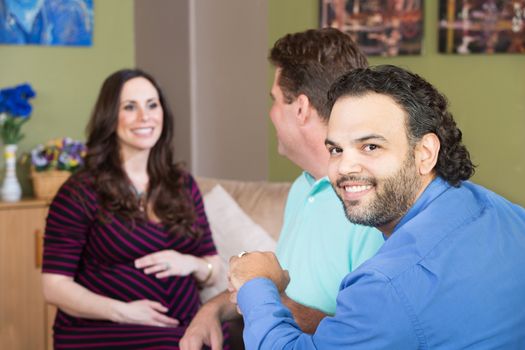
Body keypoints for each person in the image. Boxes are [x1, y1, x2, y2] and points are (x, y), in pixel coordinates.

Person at [228, 65, 525, 349]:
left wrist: (256, 283)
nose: (344, 167)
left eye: (371, 146)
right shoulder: (504, 213)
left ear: (425, 153)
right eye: (335, 149)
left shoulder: (386, 284)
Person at [180, 28, 384, 349]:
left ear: (300, 108)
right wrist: (210, 310)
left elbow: (364, 336)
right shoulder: (303, 189)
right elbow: (279, 287)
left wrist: (270, 299)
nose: (271, 114)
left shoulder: (371, 205)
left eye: (275, 100)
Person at [41, 69, 227, 349]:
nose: (145, 116)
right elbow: (54, 286)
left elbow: (215, 267)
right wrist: (124, 312)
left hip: (184, 323)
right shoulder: (80, 191)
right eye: (130, 107)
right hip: (106, 329)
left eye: (152, 105)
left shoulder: (182, 184)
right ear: (110, 118)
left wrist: (192, 263)